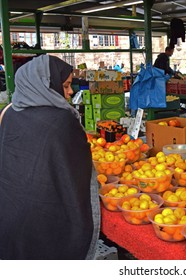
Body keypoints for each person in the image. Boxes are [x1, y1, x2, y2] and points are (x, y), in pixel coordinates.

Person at [0, 55, 99, 260]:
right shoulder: (62, 120)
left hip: (9, 209)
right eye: (65, 86)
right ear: (47, 85)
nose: (71, 92)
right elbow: (77, 170)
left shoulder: (9, 112)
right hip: (45, 220)